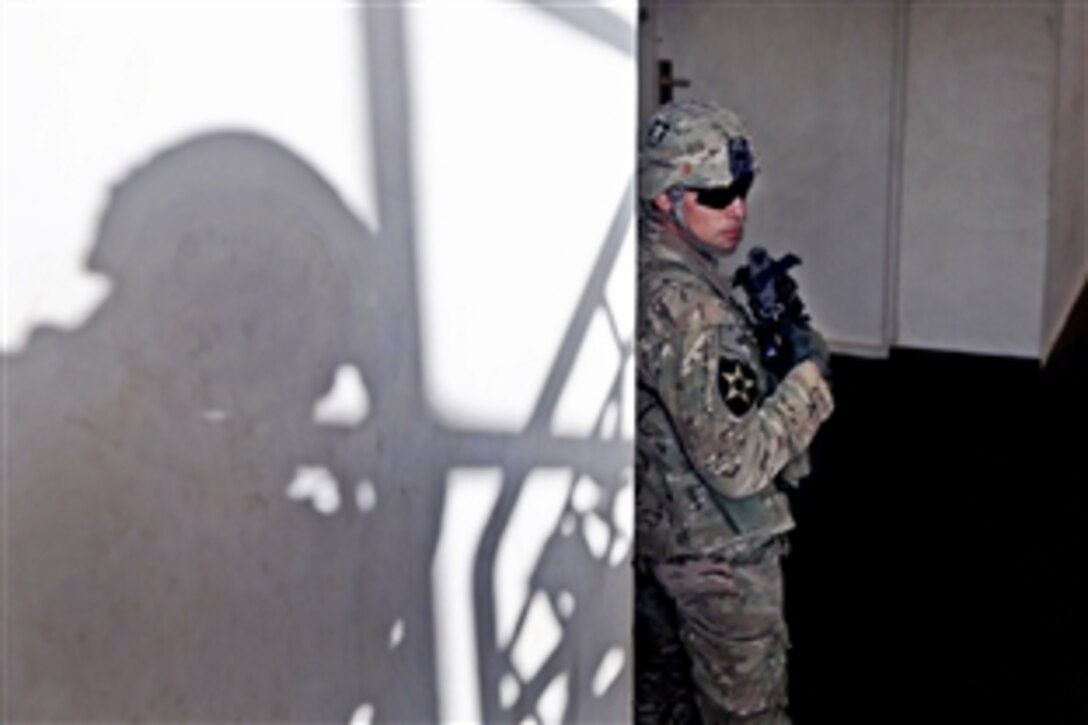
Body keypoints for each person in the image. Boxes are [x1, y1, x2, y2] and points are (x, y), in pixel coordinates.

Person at [635, 99, 834, 723]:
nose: (739, 209)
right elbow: (740, 464)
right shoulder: (692, 312)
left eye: (743, 188)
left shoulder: (650, 272)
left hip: (664, 537)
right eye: (718, 194)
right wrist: (808, 378)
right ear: (666, 199)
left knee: (664, 702)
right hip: (720, 558)